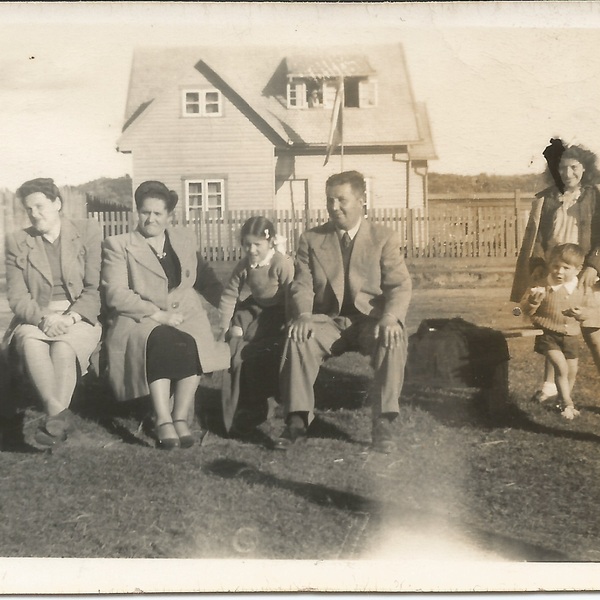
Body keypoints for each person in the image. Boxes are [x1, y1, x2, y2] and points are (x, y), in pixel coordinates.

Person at [275, 170, 412, 453]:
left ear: (361, 200)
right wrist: (302, 316)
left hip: (370, 320)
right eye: (329, 200)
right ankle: (298, 419)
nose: (334, 207)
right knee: (298, 338)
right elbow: (302, 284)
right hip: (328, 321)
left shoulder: (383, 238)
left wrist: (390, 318)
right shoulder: (311, 239)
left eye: (341, 200)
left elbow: (399, 285)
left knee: (393, 337)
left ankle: (384, 423)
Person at [101, 181, 230, 450]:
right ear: (137, 212)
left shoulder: (183, 239)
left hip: (185, 311)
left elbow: (205, 279)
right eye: (145, 212)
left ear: (169, 216)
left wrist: (231, 308)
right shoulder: (119, 245)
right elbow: (115, 294)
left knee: (195, 343)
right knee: (160, 340)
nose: (151, 219)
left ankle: (180, 417)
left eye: (158, 214)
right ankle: (162, 419)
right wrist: (156, 314)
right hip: (138, 315)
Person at [2, 178, 102, 447]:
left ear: (57, 203)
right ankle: (58, 419)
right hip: (35, 315)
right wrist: (44, 318)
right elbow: (17, 297)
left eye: (39, 206)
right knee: (30, 342)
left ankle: (55, 423)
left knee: (64, 348)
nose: (34, 214)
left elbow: (94, 289)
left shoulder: (87, 231)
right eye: (29, 209)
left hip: (78, 314)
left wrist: (70, 317)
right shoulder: (17, 241)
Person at [511, 140, 600, 403]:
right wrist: (539, 267)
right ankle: (550, 386)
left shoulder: (595, 196)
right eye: (562, 168)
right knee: (553, 328)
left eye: (573, 167)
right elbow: (538, 236)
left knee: (594, 334)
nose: (567, 174)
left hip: (584, 272)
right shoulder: (549, 198)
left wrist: (594, 266)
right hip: (555, 270)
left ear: (584, 169)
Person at [218, 216, 294, 436]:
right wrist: (224, 326)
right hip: (256, 307)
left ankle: (268, 399)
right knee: (236, 336)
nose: (251, 250)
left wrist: (291, 320)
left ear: (270, 243)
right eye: (247, 244)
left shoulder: (280, 263)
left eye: (257, 245)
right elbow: (230, 294)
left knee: (262, 345)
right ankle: (238, 403)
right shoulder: (245, 265)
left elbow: (292, 294)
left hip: (279, 309)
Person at [520, 243, 588, 420]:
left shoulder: (579, 288)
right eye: (555, 266)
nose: (559, 272)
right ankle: (567, 403)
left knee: (572, 370)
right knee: (561, 367)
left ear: (578, 269)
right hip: (548, 334)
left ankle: (561, 400)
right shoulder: (542, 286)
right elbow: (525, 310)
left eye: (566, 268)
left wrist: (581, 314)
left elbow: (587, 310)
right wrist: (533, 302)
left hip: (571, 335)